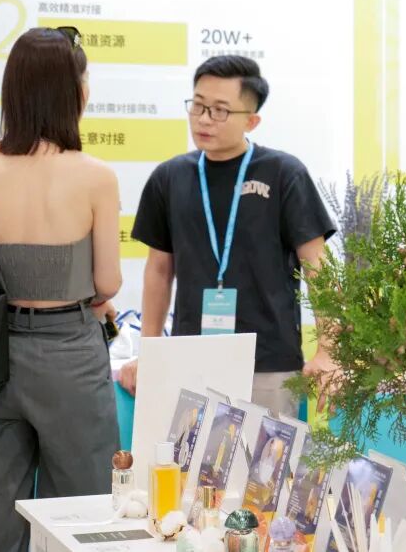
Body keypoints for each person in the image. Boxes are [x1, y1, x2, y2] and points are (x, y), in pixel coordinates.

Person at [120, 56, 338, 417]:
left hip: (268, 363)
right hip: (190, 360)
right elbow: (158, 271)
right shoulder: (169, 178)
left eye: (220, 110)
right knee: (185, 455)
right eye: (198, 105)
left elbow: (317, 266)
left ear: (251, 121)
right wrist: (151, 352)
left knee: (267, 455)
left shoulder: (284, 173)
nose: (204, 119)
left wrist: (329, 350)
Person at [0, 26, 122, 552]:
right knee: (85, 513)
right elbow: (107, 282)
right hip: (70, 354)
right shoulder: (95, 176)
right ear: (75, 93)